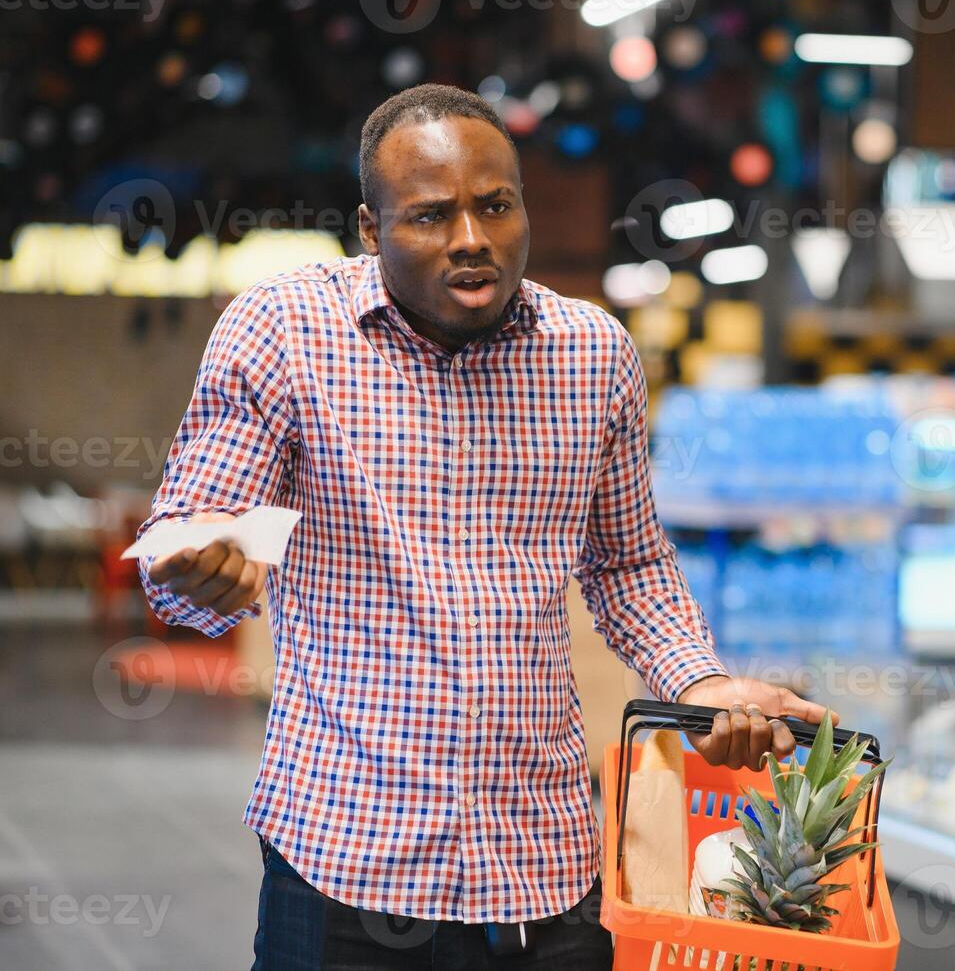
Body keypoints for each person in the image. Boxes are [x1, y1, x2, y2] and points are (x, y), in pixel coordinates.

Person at [137, 83, 831, 970]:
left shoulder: (592, 354)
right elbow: (198, 525)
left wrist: (698, 684)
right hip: (345, 870)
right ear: (369, 228)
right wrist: (200, 568)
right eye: (429, 216)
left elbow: (627, 566)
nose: (471, 238)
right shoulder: (283, 331)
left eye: (494, 205)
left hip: (544, 873)